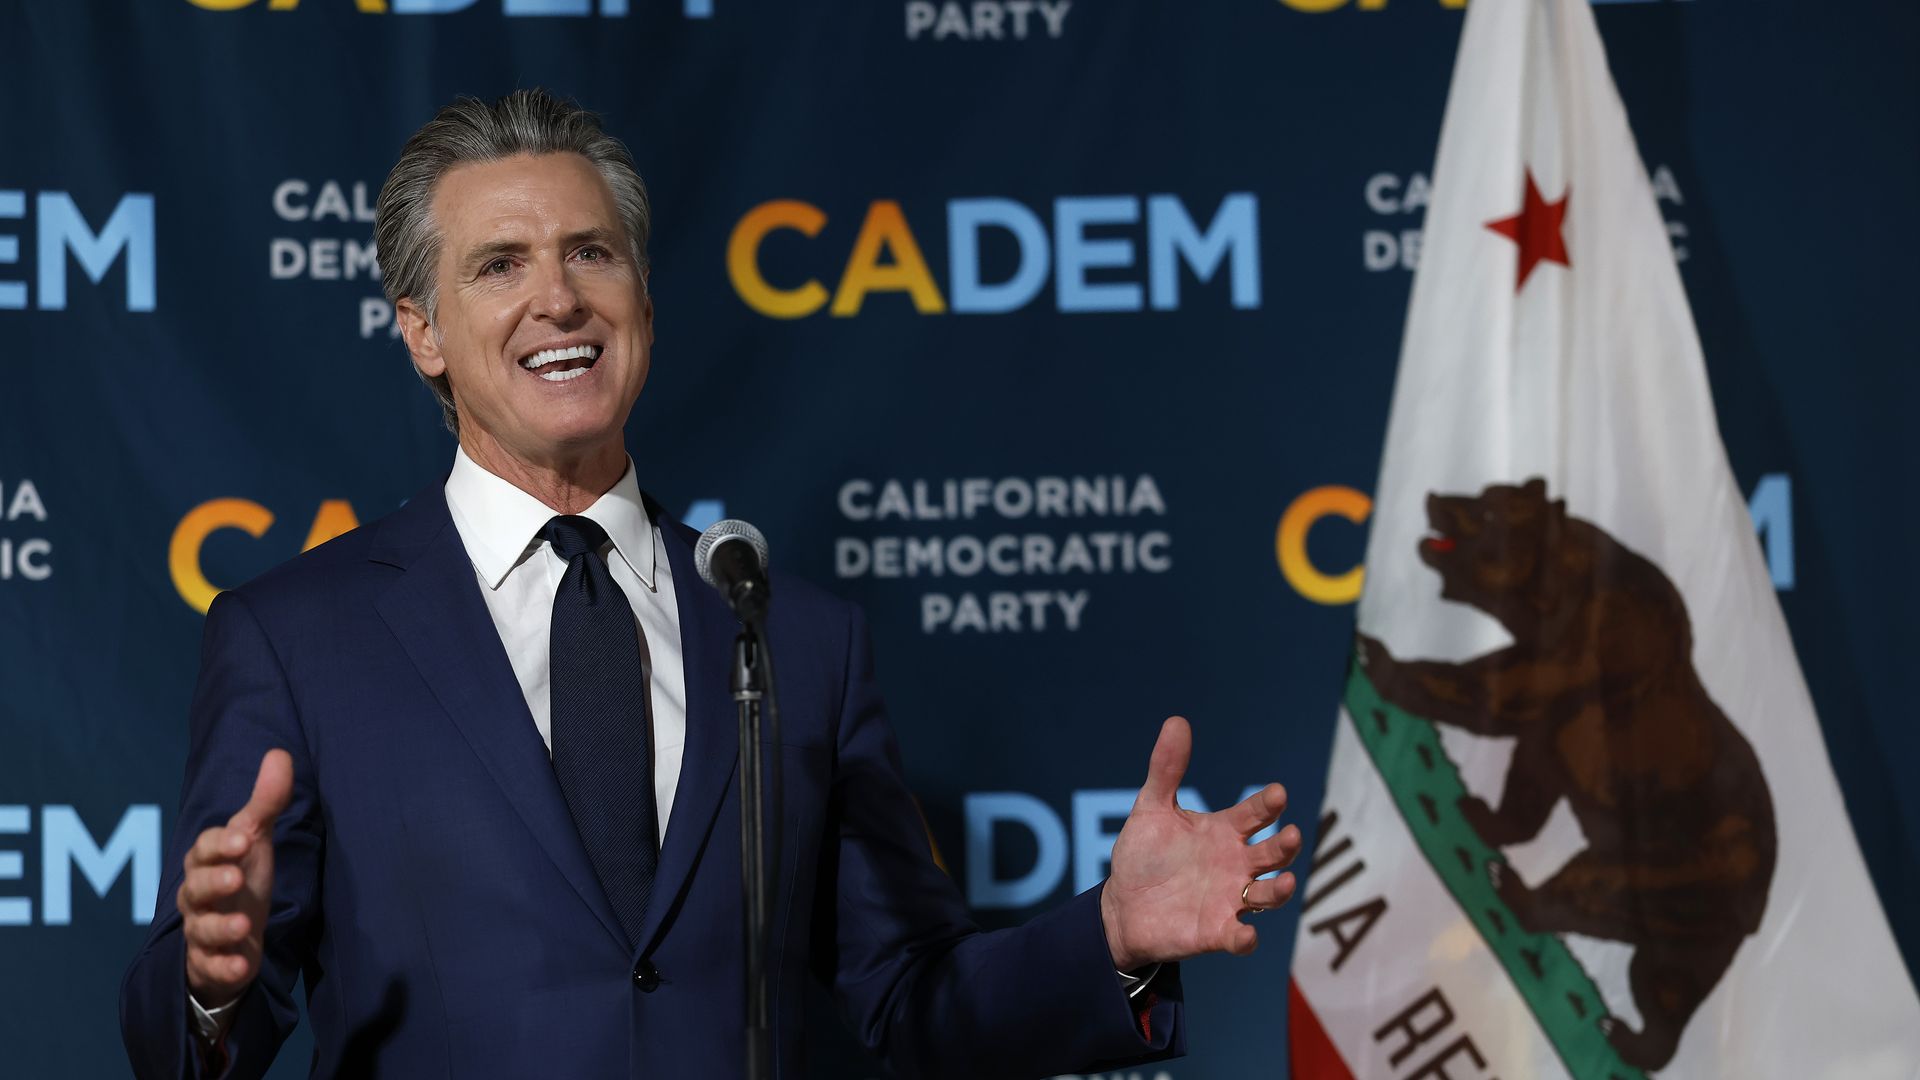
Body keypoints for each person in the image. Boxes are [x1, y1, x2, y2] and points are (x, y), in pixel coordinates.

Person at [119, 89, 1303, 1079]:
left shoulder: (799, 639)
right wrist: (212, 983)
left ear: (642, 293)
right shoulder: (295, 640)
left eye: (593, 252)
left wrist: (1109, 938)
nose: (560, 298)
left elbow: (907, 1000)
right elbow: (186, 1038)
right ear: (424, 331)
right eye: (501, 266)